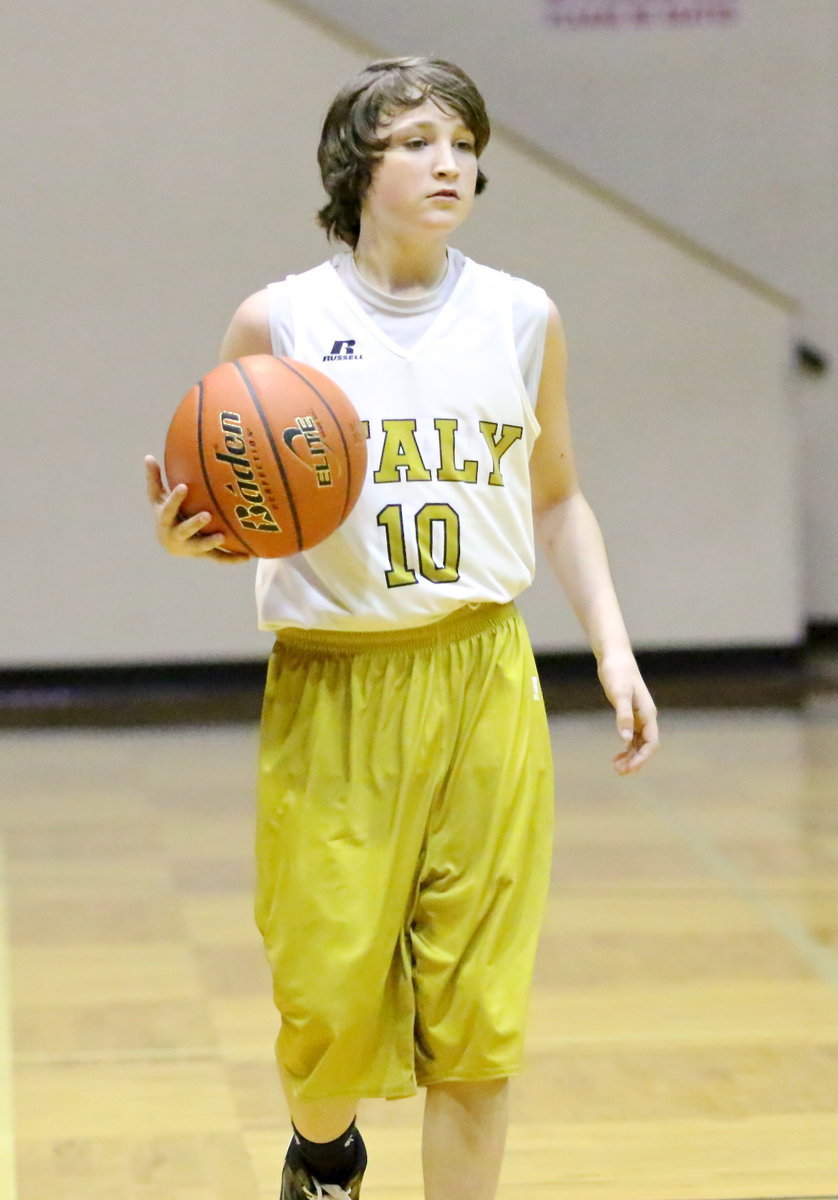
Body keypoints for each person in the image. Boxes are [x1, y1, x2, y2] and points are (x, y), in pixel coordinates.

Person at [145, 56, 658, 1200]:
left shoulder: (522, 316)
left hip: (481, 675)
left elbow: (558, 493)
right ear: (355, 163)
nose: (452, 162)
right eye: (421, 140)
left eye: (465, 143)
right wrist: (195, 536)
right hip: (334, 686)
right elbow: (223, 499)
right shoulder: (277, 319)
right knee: (325, 1005)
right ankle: (321, 1153)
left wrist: (614, 648)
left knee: (477, 1018)